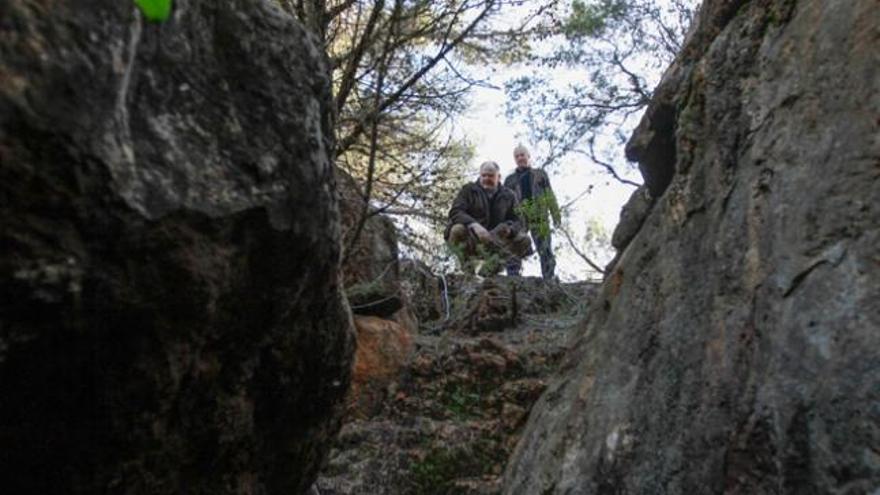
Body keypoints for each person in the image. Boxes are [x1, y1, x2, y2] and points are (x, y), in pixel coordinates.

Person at [444, 161, 532, 275]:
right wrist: (474, 225)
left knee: (524, 240)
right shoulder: (468, 190)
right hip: (473, 239)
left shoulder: (509, 195)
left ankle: (489, 271)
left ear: (499, 177)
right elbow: (455, 211)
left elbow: (520, 221)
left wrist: (509, 230)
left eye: (490, 176)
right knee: (457, 230)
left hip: (498, 242)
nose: (486, 178)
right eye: (483, 175)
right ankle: (468, 270)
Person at [503, 144, 561, 279]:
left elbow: (549, 194)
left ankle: (549, 277)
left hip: (539, 214)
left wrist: (556, 215)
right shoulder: (510, 180)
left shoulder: (540, 174)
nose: (520, 158)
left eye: (522, 155)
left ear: (528, 156)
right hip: (519, 218)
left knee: (545, 247)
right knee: (514, 245)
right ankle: (513, 276)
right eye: (517, 156)